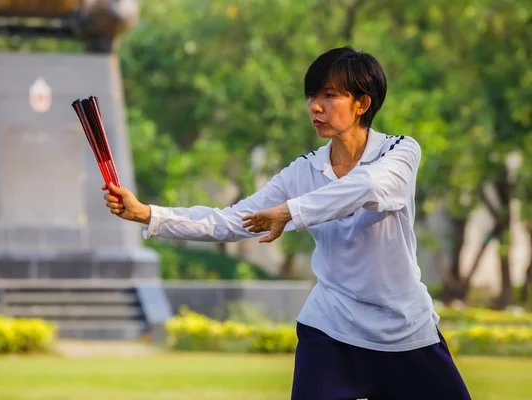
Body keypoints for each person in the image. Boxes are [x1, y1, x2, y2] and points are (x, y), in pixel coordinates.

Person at [102, 46, 471, 400]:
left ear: (362, 103)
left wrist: (290, 212)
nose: (315, 106)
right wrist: (148, 214)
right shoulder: (304, 171)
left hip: (405, 331)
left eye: (329, 95)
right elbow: (231, 221)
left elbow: (370, 187)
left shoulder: (400, 151)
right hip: (332, 330)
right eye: (312, 95)